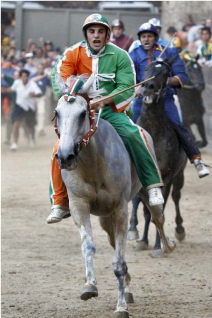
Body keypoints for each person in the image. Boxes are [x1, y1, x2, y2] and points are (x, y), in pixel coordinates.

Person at [47, 13, 164, 223]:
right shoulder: (72, 53)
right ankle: (60, 201)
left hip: (111, 111)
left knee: (136, 134)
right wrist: (74, 99)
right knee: (59, 147)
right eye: (92, 31)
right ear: (86, 34)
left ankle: (152, 184)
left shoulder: (120, 55)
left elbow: (127, 86)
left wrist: (106, 99)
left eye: (100, 31)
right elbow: (61, 79)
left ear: (107, 34)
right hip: (81, 111)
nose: (96, 35)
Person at [129, 23, 209, 179]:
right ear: (140, 39)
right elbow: (129, 77)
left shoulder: (169, 52)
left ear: (155, 37)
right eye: (143, 36)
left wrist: (167, 80)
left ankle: (196, 159)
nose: (146, 39)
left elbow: (182, 75)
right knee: (129, 126)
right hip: (142, 101)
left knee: (177, 124)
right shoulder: (133, 55)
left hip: (164, 99)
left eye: (149, 36)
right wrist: (135, 88)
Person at [4, 69, 42, 151]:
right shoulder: (17, 82)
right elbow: (11, 89)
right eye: (23, 76)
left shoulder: (32, 84)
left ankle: (32, 139)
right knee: (16, 124)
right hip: (20, 106)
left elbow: (39, 93)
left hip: (30, 107)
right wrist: (4, 90)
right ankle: (15, 143)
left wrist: (35, 95)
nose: (25, 78)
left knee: (31, 125)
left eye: (26, 76)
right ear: (20, 77)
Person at [30, 64, 52, 136]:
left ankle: (40, 129)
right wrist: (45, 75)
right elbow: (33, 80)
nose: (40, 69)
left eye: (41, 68)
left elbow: (51, 85)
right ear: (36, 68)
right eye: (39, 68)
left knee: (41, 113)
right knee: (32, 113)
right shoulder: (33, 75)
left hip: (41, 97)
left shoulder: (46, 78)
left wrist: (51, 76)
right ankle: (30, 128)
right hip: (33, 97)